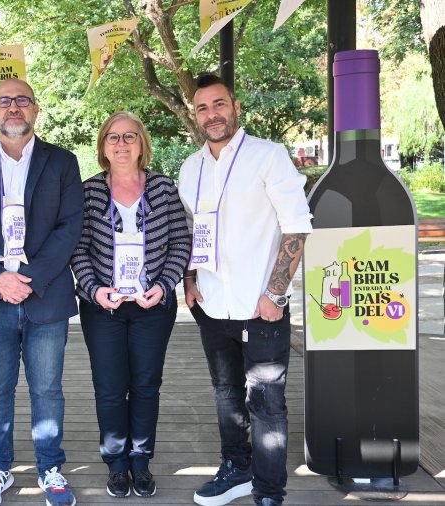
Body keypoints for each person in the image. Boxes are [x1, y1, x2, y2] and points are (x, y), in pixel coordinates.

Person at [177, 73, 312, 506]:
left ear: (235, 106)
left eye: (218, 105)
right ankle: (236, 468)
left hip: (262, 307)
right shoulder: (190, 167)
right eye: (202, 108)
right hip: (212, 306)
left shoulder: (268, 157)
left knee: (267, 404)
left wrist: (274, 296)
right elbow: (192, 229)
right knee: (226, 395)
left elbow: (296, 229)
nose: (211, 114)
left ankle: (269, 491)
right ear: (195, 115)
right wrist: (191, 279)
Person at [0, 78, 83, 506]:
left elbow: (70, 226)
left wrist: (29, 277)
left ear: (35, 110)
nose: (13, 108)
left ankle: (50, 468)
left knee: (48, 389)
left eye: (22, 101)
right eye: (4, 101)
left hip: (45, 297)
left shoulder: (62, 163)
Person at [70, 111, 191, 498]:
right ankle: (116, 463)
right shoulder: (88, 191)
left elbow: (181, 242)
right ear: (103, 146)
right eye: (113, 138)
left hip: (152, 305)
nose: (121, 144)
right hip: (103, 307)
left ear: (142, 144)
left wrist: (164, 283)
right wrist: (93, 290)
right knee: (109, 388)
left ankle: (140, 461)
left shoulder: (163, 188)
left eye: (130, 137)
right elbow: (79, 249)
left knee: (145, 386)